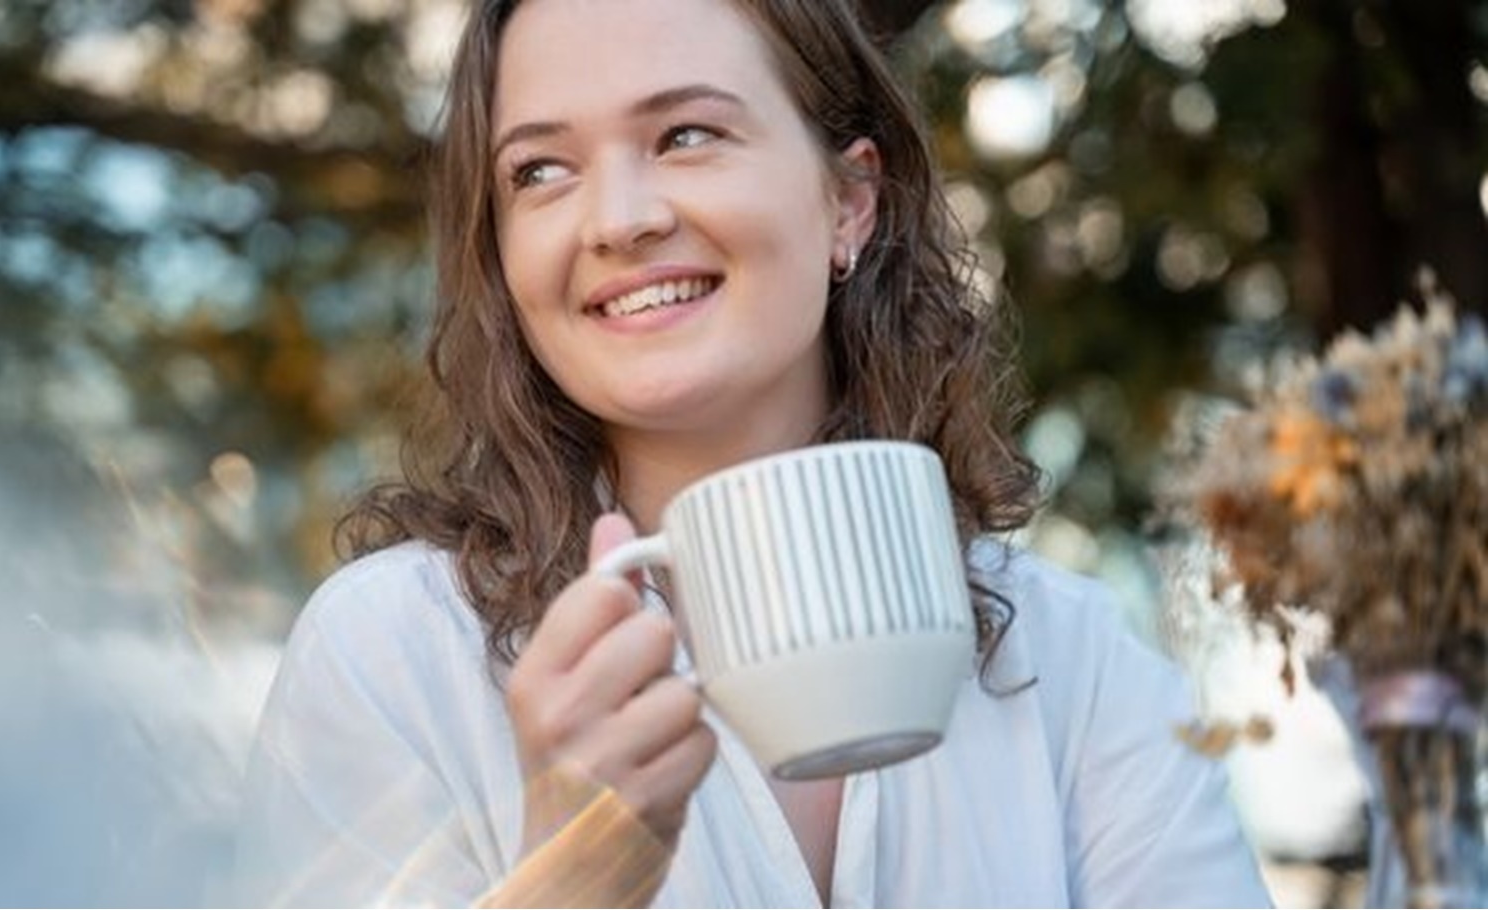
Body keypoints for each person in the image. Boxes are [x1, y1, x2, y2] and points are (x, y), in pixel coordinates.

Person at [233, 0, 1273, 906]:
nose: (620, 220)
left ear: (849, 202)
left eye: (686, 134)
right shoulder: (393, 657)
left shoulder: (1075, 663)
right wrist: (567, 886)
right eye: (540, 171)